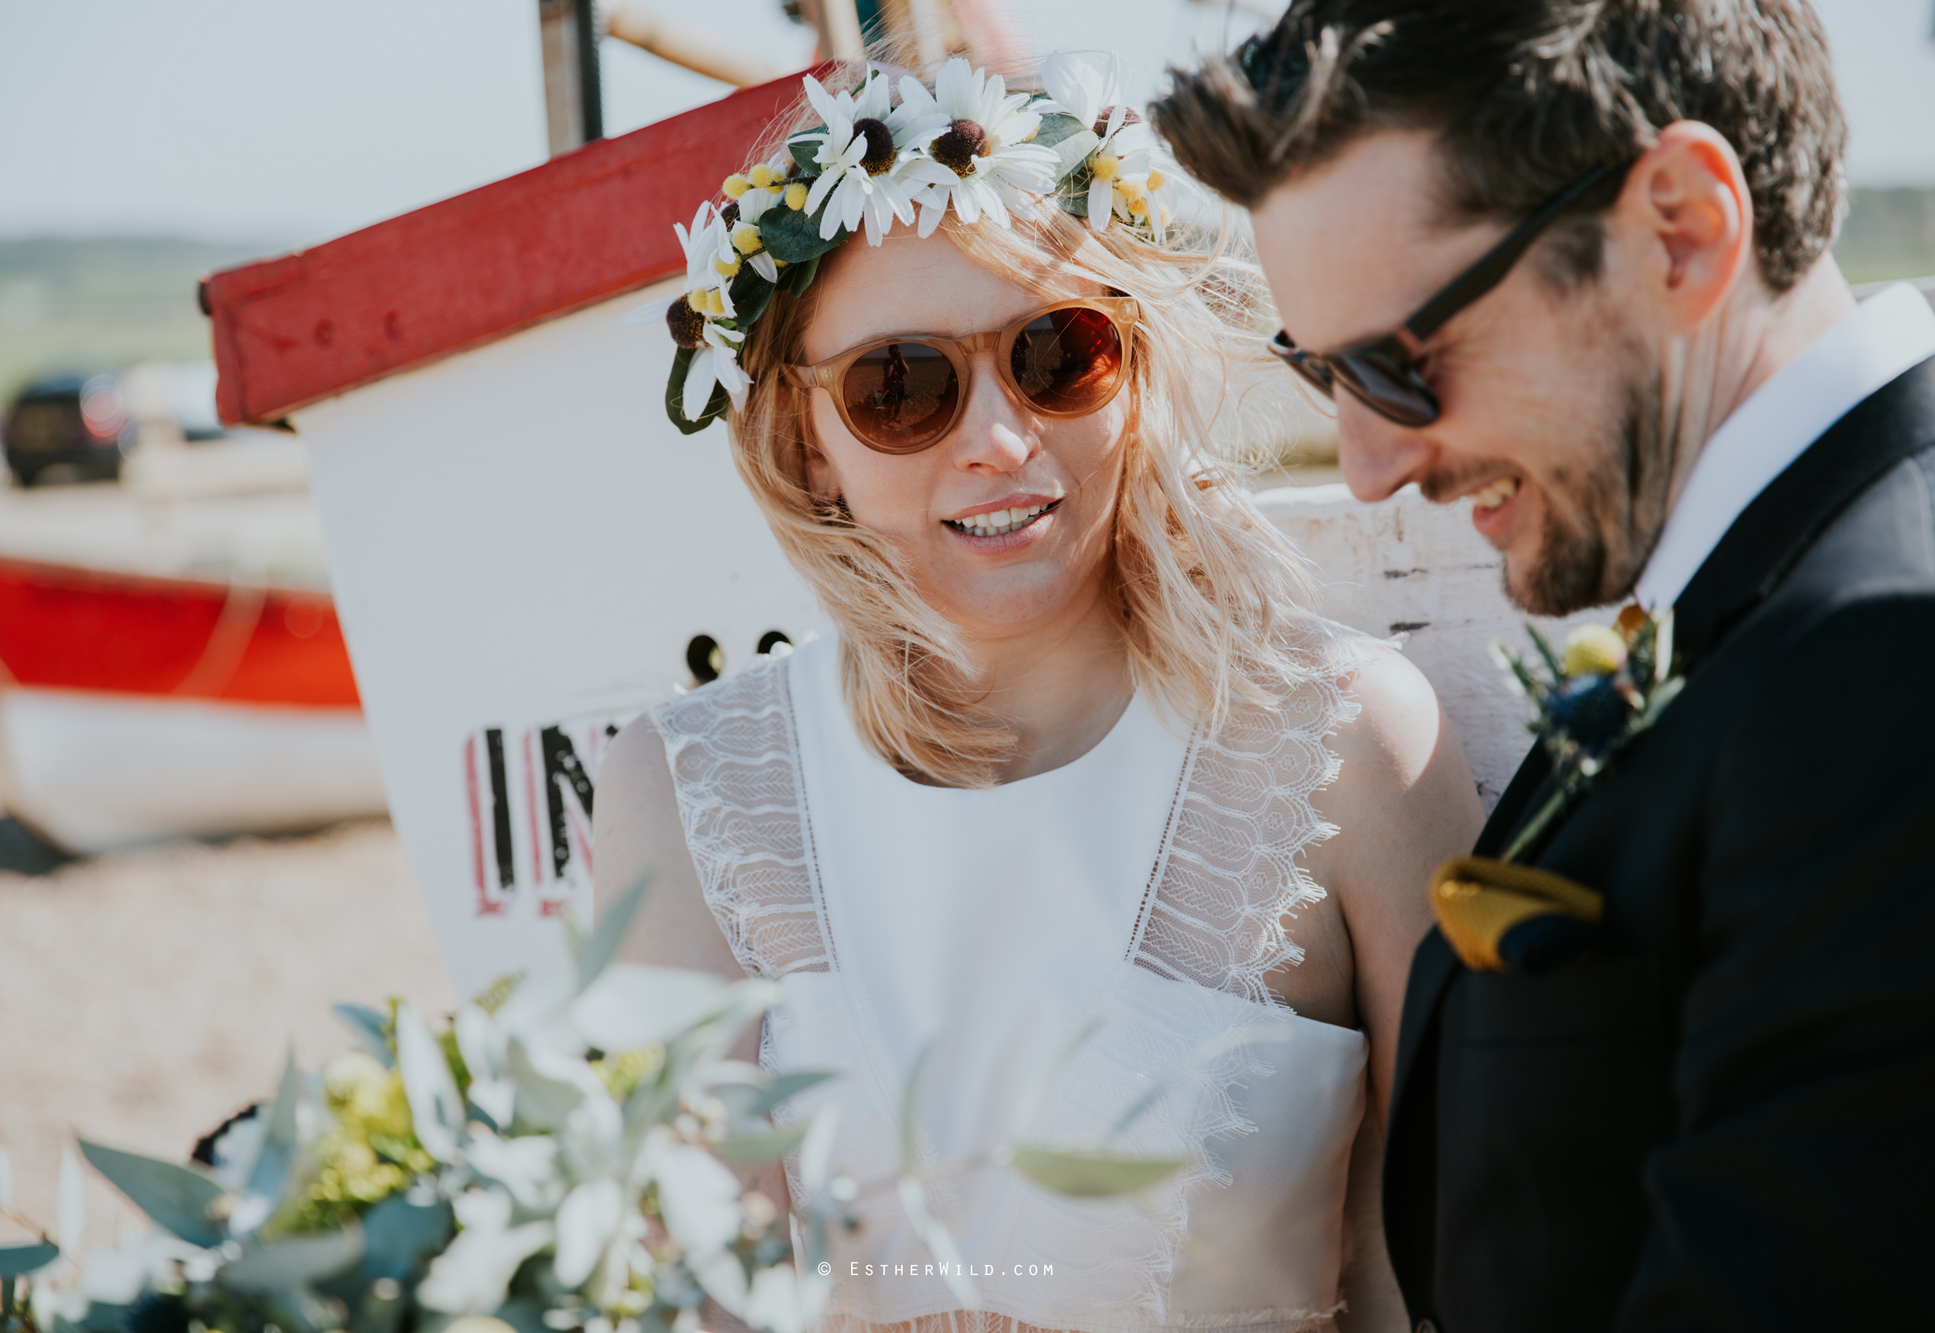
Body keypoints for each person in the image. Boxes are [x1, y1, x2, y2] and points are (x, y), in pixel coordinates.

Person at [593, 51, 1484, 1333]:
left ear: (1134, 367)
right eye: (900, 387)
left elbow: (1451, 1264)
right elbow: (680, 1300)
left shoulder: (1352, 749)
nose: (1000, 438)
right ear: (805, 442)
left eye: (1057, 354)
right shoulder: (679, 797)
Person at [1152, 2, 1935, 1329]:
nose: (1367, 463)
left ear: (1680, 229)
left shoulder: (1882, 664)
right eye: (1317, 374)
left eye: (1396, 368)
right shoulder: (1769, 612)